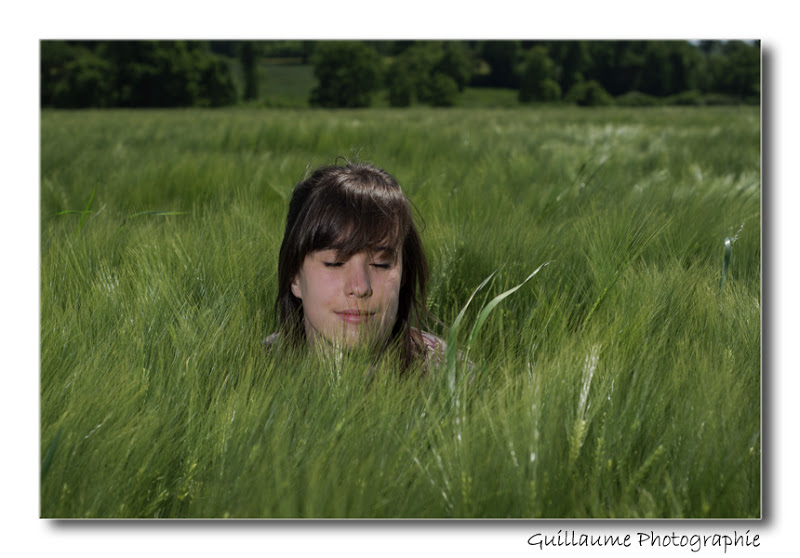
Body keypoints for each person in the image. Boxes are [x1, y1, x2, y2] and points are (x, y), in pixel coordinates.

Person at [265, 159, 446, 374]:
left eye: (381, 263)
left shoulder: (450, 373)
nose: (360, 287)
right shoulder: (250, 368)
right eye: (335, 263)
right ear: (294, 276)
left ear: (404, 273)